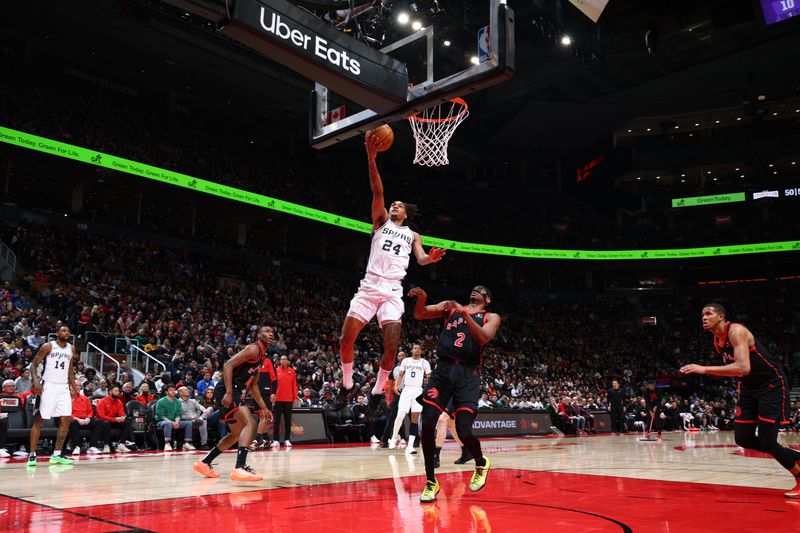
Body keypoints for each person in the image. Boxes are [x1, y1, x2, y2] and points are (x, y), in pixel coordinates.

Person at [334, 133, 446, 413]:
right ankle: (347, 385)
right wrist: (372, 160)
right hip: (370, 286)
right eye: (393, 203)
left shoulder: (413, 234)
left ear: (406, 213)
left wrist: (429, 259)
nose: (394, 205)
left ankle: (375, 391)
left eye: (399, 205)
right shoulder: (381, 221)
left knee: (392, 347)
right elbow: (377, 192)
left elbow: (419, 259)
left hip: (393, 291)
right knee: (346, 339)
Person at [681, 303, 800, 499]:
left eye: (708, 313)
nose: (704, 317)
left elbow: (743, 367)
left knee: (767, 440)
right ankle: (794, 457)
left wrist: (704, 368)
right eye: (702, 314)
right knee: (743, 438)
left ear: (721, 317)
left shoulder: (736, 331)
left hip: (771, 385)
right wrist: (740, 388)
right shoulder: (717, 340)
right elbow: (741, 373)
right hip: (748, 388)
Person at [408, 286, 501, 502]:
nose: (475, 290)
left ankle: (480, 462)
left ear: (487, 299)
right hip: (443, 370)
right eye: (474, 288)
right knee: (428, 421)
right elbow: (419, 314)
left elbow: (483, 338)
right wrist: (422, 298)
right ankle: (431, 481)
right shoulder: (450, 307)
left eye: (481, 290)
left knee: (463, 430)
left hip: (468, 374)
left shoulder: (490, 316)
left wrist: (465, 313)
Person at [194, 326, 274, 482]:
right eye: (267, 331)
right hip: (228, 389)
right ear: (259, 335)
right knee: (250, 423)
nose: (271, 334)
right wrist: (229, 392)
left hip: (236, 391)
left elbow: (254, 385)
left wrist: (264, 408)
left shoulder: (262, 357)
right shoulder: (253, 349)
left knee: (237, 434)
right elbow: (228, 365)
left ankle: (204, 463)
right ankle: (239, 467)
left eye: (272, 332)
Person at [27, 326, 78, 467]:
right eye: (64, 331)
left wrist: (74, 387)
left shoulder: (71, 349)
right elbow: (34, 364)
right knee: (39, 420)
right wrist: (36, 380)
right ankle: (32, 455)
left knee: (66, 420)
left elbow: (70, 370)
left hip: (63, 387)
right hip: (48, 385)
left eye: (68, 331)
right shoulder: (48, 346)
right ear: (57, 333)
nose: (66, 333)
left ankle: (56, 455)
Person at [388, 343, 431, 453]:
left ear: (421, 351)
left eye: (418, 348)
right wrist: (396, 386)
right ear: (412, 350)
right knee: (400, 415)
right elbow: (400, 375)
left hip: (418, 390)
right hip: (406, 389)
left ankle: (410, 446)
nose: (416, 349)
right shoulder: (406, 361)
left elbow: (429, 377)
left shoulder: (425, 362)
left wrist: (427, 389)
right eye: (414, 348)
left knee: (415, 417)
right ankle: (393, 438)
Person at [96, 384, 136, 453]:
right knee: (106, 423)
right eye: (116, 391)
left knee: (126, 423)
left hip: (114, 420)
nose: (118, 392)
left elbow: (121, 413)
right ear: (110, 392)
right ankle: (106, 445)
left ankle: (121, 445)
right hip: (102, 421)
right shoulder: (102, 401)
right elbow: (101, 415)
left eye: (118, 391)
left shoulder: (119, 401)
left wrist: (122, 417)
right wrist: (115, 419)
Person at [154, 385, 194, 451]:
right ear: (166, 392)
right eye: (171, 390)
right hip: (161, 421)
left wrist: (177, 423)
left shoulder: (178, 401)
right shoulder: (161, 401)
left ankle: (186, 443)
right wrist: (172, 423)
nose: (173, 392)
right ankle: (167, 444)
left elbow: (178, 414)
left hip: (174, 421)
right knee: (168, 423)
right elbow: (161, 415)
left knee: (188, 423)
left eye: (174, 390)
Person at [66, 381, 102, 455]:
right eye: (76, 385)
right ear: (70, 387)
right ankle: (77, 447)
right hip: (73, 419)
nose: (78, 387)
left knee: (98, 421)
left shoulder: (85, 398)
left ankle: (92, 446)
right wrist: (77, 419)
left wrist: (88, 418)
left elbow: (90, 411)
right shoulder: (65, 398)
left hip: (85, 419)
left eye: (79, 385)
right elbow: (66, 412)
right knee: (74, 423)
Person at [380, 351, 406, 447]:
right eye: (399, 356)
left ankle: (415, 440)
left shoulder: (411, 367)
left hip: (409, 393)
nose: (401, 357)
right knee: (392, 417)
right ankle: (384, 440)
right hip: (398, 393)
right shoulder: (394, 368)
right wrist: (388, 399)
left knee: (412, 417)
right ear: (397, 358)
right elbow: (390, 385)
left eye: (403, 356)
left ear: (406, 357)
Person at [272, 355, 298, 448]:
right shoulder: (276, 370)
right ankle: (276, 440)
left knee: (287, 421)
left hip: (288, 399)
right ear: (280, 361)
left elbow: (294, 385)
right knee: (276, 421)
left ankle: (287, 439)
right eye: (282, 359)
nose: (283, 361)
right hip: (277, 399)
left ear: (288, 361)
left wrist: (295, 398)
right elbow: (272, 384)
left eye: (285, 359)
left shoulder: (292, 371)